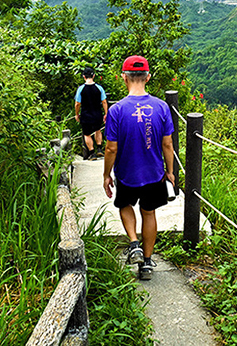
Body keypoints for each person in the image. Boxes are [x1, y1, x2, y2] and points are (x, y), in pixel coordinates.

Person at [103, 55, 175, 280]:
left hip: (126, 173)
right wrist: (170, 172)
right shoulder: (161, 107)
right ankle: (146, 263)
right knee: (149, 212)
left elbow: (111, 149)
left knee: (125, 204)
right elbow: (167, 144)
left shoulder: (116, 110)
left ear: (124, 77)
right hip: (154, 172)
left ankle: (134, 242)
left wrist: (106, 174)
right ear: (148, 77)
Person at [74, 67, 108, 160]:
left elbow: (77, 103)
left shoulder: (81, 89)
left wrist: (77, 114)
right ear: (93, 76)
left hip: (85, 114)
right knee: (98, 130)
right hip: (97, 113)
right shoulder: (99, 88)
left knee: (87, 134)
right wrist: (106, 113)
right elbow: (104, 101)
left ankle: (92, 153)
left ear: (84, 77)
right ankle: (100, 149)